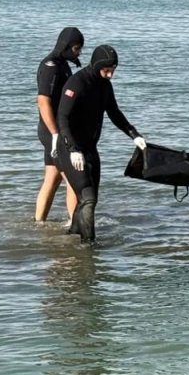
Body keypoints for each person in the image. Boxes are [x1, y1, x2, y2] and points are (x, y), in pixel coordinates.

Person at [56, 44, 146, 244]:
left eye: (113, 71)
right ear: (97, 65)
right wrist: (72, 149)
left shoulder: (105, 86)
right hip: (70, 149)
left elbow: (114, 113)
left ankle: (72, 237)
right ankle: (89, 246)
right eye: (107, 70)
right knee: (88, 198)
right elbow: (62, 118)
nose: (110, 75)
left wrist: (134, 134)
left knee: (89, 200)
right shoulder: (76, 84)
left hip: (90, 149)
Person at [34, 27, 84, 224]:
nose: (78, 53)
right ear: (65, 46)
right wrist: (55, 135)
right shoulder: (51, 67)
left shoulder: (63, 64)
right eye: (76, 49)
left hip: (55, 131)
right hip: (52, 131)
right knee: (73, 180)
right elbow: (43, 101)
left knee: (52, 178)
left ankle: (39, 223)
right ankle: (75, 224)